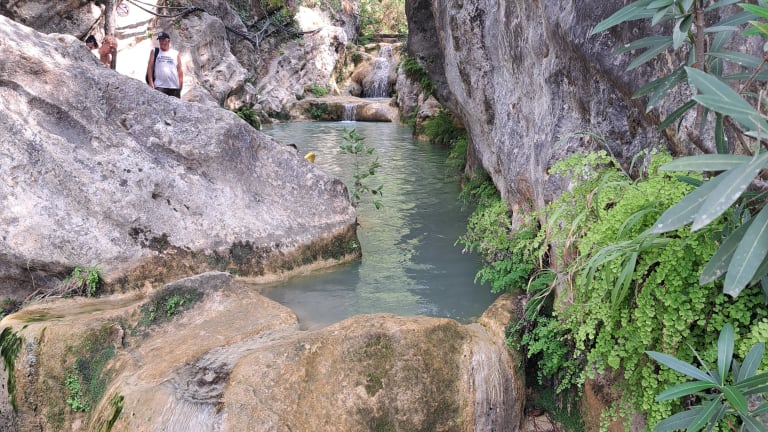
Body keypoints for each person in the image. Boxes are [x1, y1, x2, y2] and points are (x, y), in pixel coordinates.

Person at [147, 32, 183, 98]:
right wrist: (151, 82)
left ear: (168, 41)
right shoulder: (154, 51)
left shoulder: (175, 53)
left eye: (163, 40)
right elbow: (150, 67)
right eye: (160, 40)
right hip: (159, 86)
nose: (161, 42)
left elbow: (179, 70)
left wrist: (180, 85)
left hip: (174, 87)